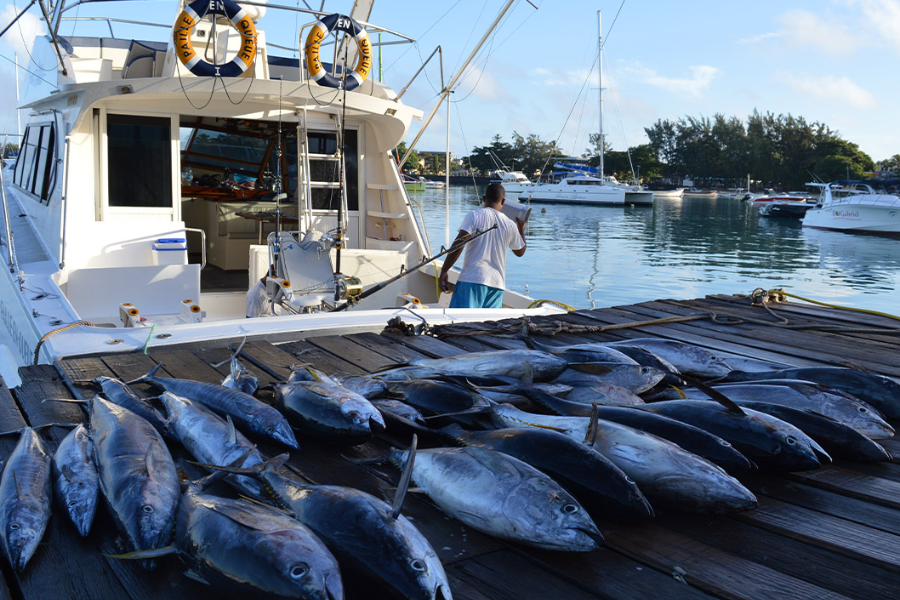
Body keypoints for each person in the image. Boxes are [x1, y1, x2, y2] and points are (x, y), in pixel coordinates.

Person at [438, 183, 526, 308]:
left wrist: (444, 270)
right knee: (487, 326)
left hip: (472, 280)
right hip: (497, 285)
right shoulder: (510, 224)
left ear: (484, 199)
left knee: (461, 324)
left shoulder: (474, 215)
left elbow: (459, 243)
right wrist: (521, 229)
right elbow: (520, 251)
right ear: (503, 201)